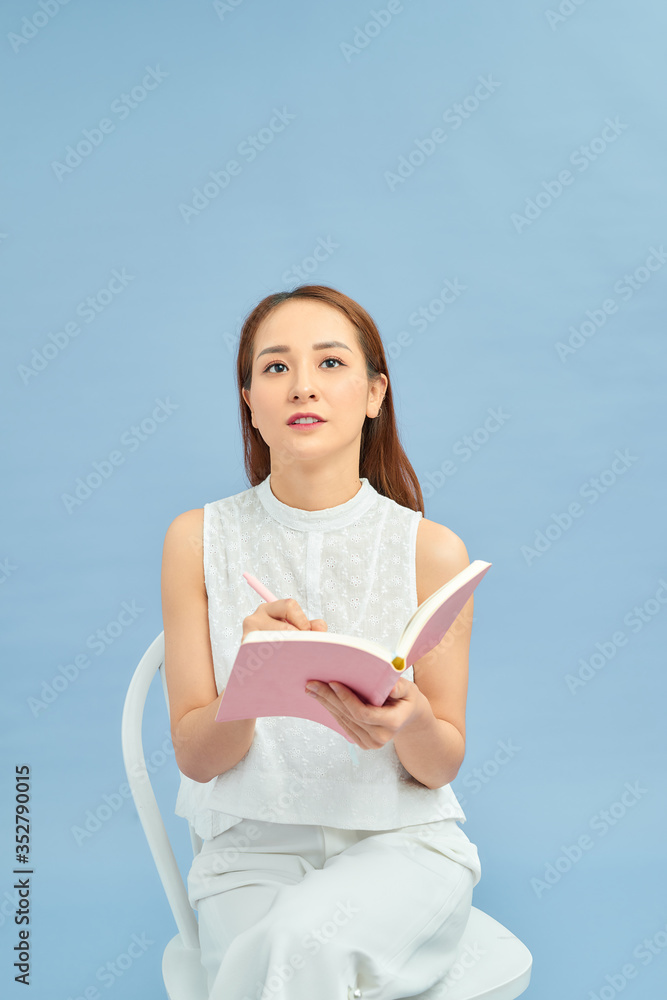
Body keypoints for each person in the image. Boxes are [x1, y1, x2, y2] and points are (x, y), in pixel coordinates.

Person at [161, 285, 483, 1000]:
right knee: (284, 957)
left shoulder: (430, 550)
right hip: (249, 853)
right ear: (249, 400)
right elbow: (196, 756)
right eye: (275, 368)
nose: (302, 385)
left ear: (374, 394)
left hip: (403, 848)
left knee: (287, 951)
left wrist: (413, 720)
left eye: (330, 363)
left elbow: (439, 766)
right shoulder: (196, 540)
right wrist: (250, 681)